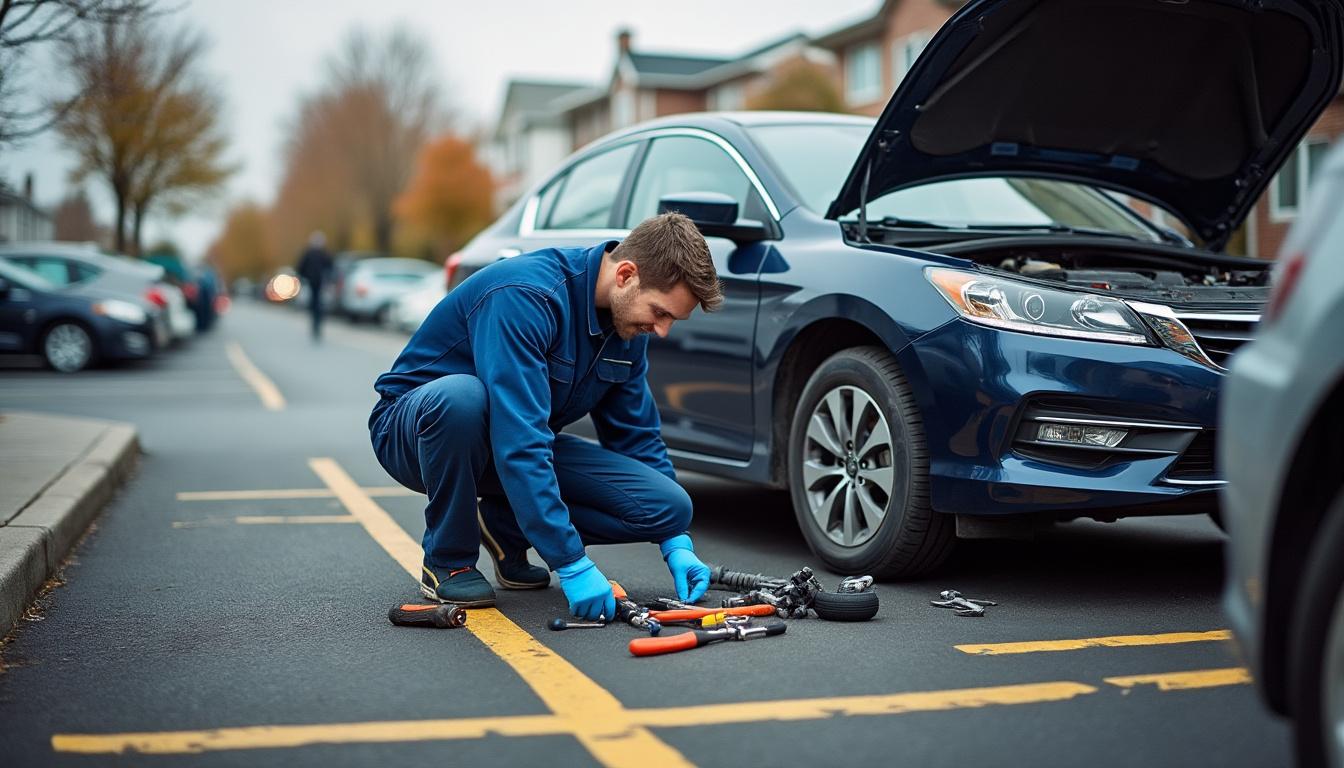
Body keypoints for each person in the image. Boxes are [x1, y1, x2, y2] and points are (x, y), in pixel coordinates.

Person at [368, 213, 723, 619]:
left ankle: (504, 525)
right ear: (626, 275)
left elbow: (637, 436)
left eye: (672, 320)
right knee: (462, 398)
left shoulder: (627, 326)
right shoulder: (526, 295)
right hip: (416, 432)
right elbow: (521, 441)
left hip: (512, 442)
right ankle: (449, 560)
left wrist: (676, 541)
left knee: (669, 506)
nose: (661, 331)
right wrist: (570, 562)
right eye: (660, 313)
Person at [295, 231, 333, 341]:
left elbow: (330, 266)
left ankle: (316, 324)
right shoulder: (319, 253)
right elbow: (301, 267)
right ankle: (316, 324)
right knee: (316, 303)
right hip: (314, 282)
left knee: (317, 304)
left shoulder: (319, 253)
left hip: (318, 282)